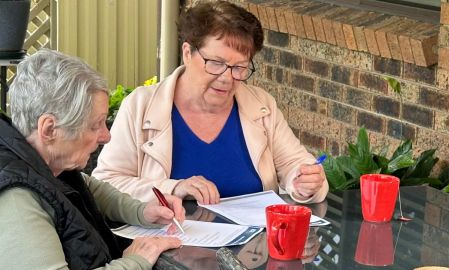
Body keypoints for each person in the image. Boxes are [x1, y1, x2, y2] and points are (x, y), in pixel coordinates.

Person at [93, 1, 329, 204]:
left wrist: (303, 182)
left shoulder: (261, 105)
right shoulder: (141, 106)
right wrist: (173, 188)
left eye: (239, 68)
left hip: (253, 251)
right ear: (187, 53)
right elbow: (105, 185)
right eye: (215, 63)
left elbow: (295, 163)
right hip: (168, 247)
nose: (227, 78)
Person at [0, 49, 185, 270]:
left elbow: (88, 189)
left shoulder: (49, 165)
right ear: (49, 129)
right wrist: (136, 262)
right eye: (94, 125)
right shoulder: (15, 198)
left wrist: (142, 211)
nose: (106, 136)